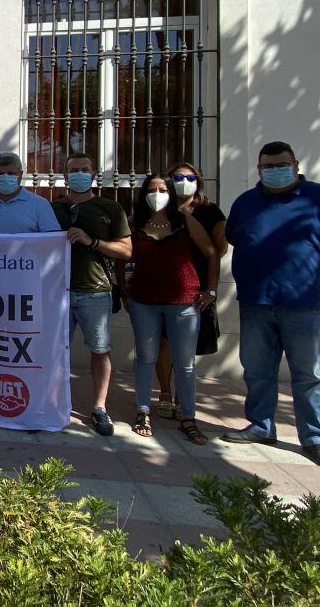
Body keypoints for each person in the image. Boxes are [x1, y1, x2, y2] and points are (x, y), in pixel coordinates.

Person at [222, 141, 320, 469]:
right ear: (259, 170)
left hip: (306, 305)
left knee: (308, 375)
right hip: (256, 302)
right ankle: (261, 426)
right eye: (268, 167)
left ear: (296, 164)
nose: (274, 171)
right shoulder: (247, 203)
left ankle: (315, 438)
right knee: (258, 371)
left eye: (281, 165)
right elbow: (234, 238)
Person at [117, 174, 215, 444]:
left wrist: (212, 291)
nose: (157, 193)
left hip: (184, 303)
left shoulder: (185, 221)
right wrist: (123, 289)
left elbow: (211, 253)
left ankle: (188, 416)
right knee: (145, 358)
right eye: (152, 189)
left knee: (184, 365)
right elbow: (120, 255)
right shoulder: (135, 224)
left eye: (162, 189)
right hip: (144, 301)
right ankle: (142, 410)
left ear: (171, 193)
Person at [50, 153, 132, 437]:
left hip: (95, 292)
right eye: (74, 171)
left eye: (84, 170)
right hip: (57, 292)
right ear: (65, 176)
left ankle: (99, 408)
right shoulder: (54, 207)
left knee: (99, 351)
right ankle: (53, 403)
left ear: (94, 173)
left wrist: (93, 241)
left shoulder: (110, 208)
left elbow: (127, 250)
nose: (79, 175)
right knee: (53, 351)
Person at [154, 161, 228, 418]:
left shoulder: (210, 212)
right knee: (163, 344)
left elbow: (216, 253)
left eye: (190, 177)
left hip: (195, 290)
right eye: (177, 176)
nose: (184, 181)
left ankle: (181, 395)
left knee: (185, 348)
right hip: (161, 289)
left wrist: (211, 290)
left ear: (199, 181)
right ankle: (164, 391)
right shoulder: (160, 208)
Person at [0, 152, 61, 234]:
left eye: (11, 173)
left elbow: (53, 241)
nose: (5, 177)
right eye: (0, 174)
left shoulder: (40, 205)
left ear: (20, 175)